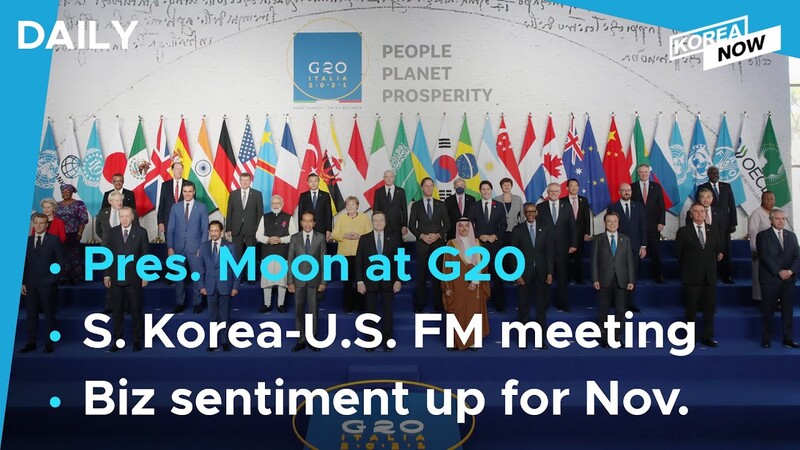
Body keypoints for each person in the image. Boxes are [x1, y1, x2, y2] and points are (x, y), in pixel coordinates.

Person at [675, 203, 723, 348]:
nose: (699, 214)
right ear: (691, 215)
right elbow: (678, 253)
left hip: (709, 276)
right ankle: (691, 337)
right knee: (691, 310)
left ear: (705, 213)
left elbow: (716, 250)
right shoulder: (683, 231)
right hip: (691, 276)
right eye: (695, 211)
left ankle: (707, 337)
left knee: (709, 310)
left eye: (702, 211)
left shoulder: (713, 229)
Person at [103, 207, 149, 352]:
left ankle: (137, 342)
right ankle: (117, 341)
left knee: (136, 312)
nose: (124, 219)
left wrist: (145, 275)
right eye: (121, 216)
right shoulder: (112, 232)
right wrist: (107, 275)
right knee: (117, 313)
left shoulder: (141, 232)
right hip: (116, 278)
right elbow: (107, 254)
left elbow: (145, 255)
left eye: (127, 216)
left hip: (134, 278)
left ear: (132, 217)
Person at [356, 212, 402, 352]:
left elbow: (399, 259)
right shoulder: (364, 238)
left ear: (385, 222)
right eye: (375, 220)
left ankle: (387, 342)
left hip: (389, 281)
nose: (378, 223)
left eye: (381, 220)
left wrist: (398, 279)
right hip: (369, 282)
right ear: (372, 222)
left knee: (388, 313)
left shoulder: (394, 238)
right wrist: (359, 281)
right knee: (370, 313)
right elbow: (359, 261)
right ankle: (370, 342)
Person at [441, 219, 490, 351]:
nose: (464, 228)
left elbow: (482, 264)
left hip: (474, 283)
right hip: (457, 283)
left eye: (467, 226)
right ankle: (454, 342)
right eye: (461, 226)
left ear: (470, 228)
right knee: (456, 311)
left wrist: (475, 281)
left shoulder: (477, 243)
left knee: (473, 311)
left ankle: (472, 341)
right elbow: (446, 266)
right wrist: (448, 286)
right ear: (457, 228)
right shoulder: (451, 244)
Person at [19, 213, 64, 354]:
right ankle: (31, 343)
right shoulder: (27, 241)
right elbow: (23, 264)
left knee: (49, 315)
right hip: (30, 284)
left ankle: (49, 343)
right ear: (33, 224)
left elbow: (60, 262)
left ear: (46, 225)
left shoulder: (54, 240)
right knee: (31, 315)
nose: (38, 225)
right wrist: (23, 282)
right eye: (36, 222)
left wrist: (53, 279)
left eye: (41, 223)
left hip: (48, 284)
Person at [756, 209, 800, 348]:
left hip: (788, 279)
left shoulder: (791, 236)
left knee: (788, 311)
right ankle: (766, 339)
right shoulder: (762, 236)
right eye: (777, 218)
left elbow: (797, 256)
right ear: (771, 220)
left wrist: (790, 271)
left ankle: (788, 338)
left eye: (783, 218)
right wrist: (778, 271)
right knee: (768, 310)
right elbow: (764, 256)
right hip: (770, 279)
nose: (781, 221)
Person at [591, 211, 635, 348]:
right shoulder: (598, 239)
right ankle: (604, 338)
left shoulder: (625, 239)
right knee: (603, 311)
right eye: (609, 221)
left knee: (620, 311)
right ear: (604, 223)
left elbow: (629, 261)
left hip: (621, 280)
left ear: (618, 223)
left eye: (614, 221)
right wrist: (595, 279)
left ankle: (615, 337)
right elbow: (594, 261)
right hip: (603, 280)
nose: (612, 224)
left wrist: (631, 280)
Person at [511, 203, 553, 344]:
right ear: (524, 213)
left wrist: (550, 272)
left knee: (541, 308)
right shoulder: (517, 230)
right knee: (523, 307)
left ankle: (540, 340)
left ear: (536, 213)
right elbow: (513, 254)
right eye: (528, 212)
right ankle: (522, 340)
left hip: (541, 273)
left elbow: (549, 252)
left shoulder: (545, 228)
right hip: (523, 274)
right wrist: (517, 274)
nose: (530, 214)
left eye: (532, 211)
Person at [408, 177, 450, 313]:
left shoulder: (441, 204)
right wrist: (422, 236)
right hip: (422, 244)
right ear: (422, 188)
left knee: (437, 275)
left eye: (431, 185)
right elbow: (411, 225)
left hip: (438, 244)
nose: (428, 188)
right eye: (426, 186)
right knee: (421, 275)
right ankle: (420, 304)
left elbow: (447, 224)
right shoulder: (416, 205)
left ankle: (438, 303)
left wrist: (438, 235)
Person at [167, 181, 209, 314]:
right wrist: (170, 246)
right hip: (178, 247)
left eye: (190, 191)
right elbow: (170, 228)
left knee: (196, 276)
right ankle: (179, 303)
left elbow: (204, 229)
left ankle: (197, 303)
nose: (187, 194)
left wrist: (202, 247)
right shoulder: (175, 207)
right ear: (182, 192)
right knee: (179, 278)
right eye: (185, 191)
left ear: (194, 192)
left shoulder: (201, 207)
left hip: (195, 248)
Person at [198, 220, 240, 352]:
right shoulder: (203, 247)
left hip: (225, 286)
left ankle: (225, 341)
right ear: (208, 232)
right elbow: (200, 269)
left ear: (221, 232)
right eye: (211, 231)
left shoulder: (230, 246)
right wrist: (201, 286)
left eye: (216, 231)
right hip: (209, 286)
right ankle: (212, 342)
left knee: (224, 315)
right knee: (212, 316)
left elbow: (235, 268)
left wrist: (235, 286)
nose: (214, 233)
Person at [288, 212, 327, 352]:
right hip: (298, 281)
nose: (307, 224)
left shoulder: (320, 238)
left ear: (314, 223)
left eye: (310, 221)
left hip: (314, 281)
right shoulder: (294, 238)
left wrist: (323, 282)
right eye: (305, 221)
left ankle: (312, 339)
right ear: (301, 222)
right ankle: (301, 340)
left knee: (313, 311)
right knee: (299, 311)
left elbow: (324, 261)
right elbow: (290, 260)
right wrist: (290, 281)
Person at [96, 191, 140, 314]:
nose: (120, 202)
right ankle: (110, 306)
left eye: (121, 200)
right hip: (108, 250)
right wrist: (109, 240)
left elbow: (136, 230)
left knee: (126, 278)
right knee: (109, 278)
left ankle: (126, 306)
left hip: (126, 250)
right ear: (110, 201)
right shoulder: (103, 213)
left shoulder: (130, 212)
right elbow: (98, 230)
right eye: (117, 200)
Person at [536, 183, 577, 312]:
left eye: (556, 191)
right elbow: (537, 228)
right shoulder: (540, 207)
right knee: (545, 277)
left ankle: (562, 303)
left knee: (563, 277)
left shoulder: (567, 206)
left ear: (560, 192)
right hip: (545, 249)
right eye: (551, 191)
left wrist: (573, 244)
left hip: (563, 248)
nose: (553, 193)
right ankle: (544, 304)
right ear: (547, 193)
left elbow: (572, 226)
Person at [468, 180, 507, 312]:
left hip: (495, 245)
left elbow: (504, 225)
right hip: (479, 245)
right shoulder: (474, 206)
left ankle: (499, 305)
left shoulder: (499, 206)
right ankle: (478, 305)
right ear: (480, 191)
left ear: (491, 190)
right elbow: (469, 226)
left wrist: (495, 236)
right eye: (483, 189)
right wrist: (480, 235)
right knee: (478, 275)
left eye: (488, 189)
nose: (486, 191)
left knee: (497, 275)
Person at [255, 195, 297, 313]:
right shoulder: (265, 217)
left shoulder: (288, 217)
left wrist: (281, 240)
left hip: (282, 253)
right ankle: (267, 304)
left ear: (282, 204)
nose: (275, 205)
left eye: (278, 203)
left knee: (282, 280)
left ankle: (281, 304)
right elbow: (258, 235)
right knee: (267, 280)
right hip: (267, 252)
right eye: (273, 203)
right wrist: (268, 239)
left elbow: (294, 236)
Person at [748, 191, 792, 303]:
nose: (769, 201)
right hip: (762, 251)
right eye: (766, 199)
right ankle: (761, 299)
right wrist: (756, 250)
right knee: (761, 276)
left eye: (771, 199)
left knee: (777, 276)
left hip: (778, 251)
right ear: (762, 200)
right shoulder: (756, 213)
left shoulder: (778, 211)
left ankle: (777, 300)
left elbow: (785, 230)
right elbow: (753, 233)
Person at [609, 183, 646, 312]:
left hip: (635, 247)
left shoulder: (638, 207)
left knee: (632, 276)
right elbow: (609, 228)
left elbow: (642, 227)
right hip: (617, 247)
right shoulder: (613, 207)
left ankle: (630, 304)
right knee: (617, 276)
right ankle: (617, 302)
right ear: (619, 192)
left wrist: (643, 246)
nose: (626, 192)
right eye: (623, 190)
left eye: (628, 190)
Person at [332, 196, 372, 313]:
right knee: (347, 282)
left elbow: (370, 234)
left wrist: (359, 236)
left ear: (357, 206)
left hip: (360, 255)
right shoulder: (341, 218)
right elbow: (334, 234)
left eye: (353, 204)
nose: (350, 207)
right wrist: (345, 235)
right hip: (345, 255)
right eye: (348, 205)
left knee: (361, 281)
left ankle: (361, 307)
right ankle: (348, 306)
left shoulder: (364, 217)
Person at [696, 166, 737, 284]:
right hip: (708, 223)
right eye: (713, 173)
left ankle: (726, 275)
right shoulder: (702, 187)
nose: (715, 175)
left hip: (725, 224)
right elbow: (698, 205)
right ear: (708, 174)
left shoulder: (726, 186)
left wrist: (733, 223)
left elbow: (732, 206)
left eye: (717, 173)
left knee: (725, 250)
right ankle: (709, 275)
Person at [631, 164, 666, 284]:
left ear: (649, 173)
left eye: (646, 172)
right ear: (638, 173)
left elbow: (661, 206)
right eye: (641, 172)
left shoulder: (656, 187)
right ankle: (634, 277)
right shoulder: (633, 187)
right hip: (637, 225)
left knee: (655, 252)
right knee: (636, 253)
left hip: (653, 225)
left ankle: (658, 276)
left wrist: (661, 222)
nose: (644, 174)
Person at [226, 172, 264, 262]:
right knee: (236, 254)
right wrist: (228, 228)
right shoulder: (233, 194)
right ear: (239, 181)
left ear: (250, 181)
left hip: (251, 229)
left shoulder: (257, 194)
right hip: (236, 229)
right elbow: (229, 212)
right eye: (243, 180)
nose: (245, 182)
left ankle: (250, 271)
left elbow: (260, 214)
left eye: (247, 180)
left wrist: (258, 229)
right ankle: (237, 271)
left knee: (251, 255)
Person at [55, 184, 88, 284]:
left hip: (73, 233)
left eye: (67, 191)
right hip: (59, 234)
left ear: (72, 192)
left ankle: (76, 278)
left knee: (74, 256)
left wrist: (80, 233)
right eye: (63, 192)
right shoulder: (57, 205)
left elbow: (83, 220)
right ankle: (63, 277)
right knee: (62, 256)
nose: (65, 193)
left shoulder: (79, 204)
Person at [565, 178, 591, 285]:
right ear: (567, 188)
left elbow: (587, 218)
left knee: (578, 258)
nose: (574, 188)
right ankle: (566, 279)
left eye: (576, 185)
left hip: (580, 234)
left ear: (578, 187)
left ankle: (579, 279)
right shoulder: (562, 201)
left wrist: (587, 233)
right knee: (566, 258)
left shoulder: (583, 200)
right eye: (571, 185)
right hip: (566, 234)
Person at [372, 170, 408, 243]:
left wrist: (405, 225)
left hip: (397, 226)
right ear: (383, 178)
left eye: (391, 176)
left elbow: (404, 209)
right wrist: (376, 224)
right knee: (384, 245)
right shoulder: (378, 192)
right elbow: (376, 209)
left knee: (398, 246)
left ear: (394, 178)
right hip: (382, 225)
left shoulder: (401, 191)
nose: (389, 179)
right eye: (386, 177)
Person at [297, 174, 333, 240]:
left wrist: (329, 229)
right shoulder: (303, 196)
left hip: (322, 228)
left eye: (315, 181)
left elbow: (329, 213)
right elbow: (300, 214)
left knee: (321, 245)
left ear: (318, 182)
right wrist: (300, 230)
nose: (313, 183)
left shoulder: (325, 195)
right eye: (311, 181)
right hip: (307, 228)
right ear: (308, 183)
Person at [157, 161, 185, 238]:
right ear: (172, 170)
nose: (179, 171)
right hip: (168, 222)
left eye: (181, 169)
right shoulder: (165, 185)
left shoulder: (189, 184)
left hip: (184, 223)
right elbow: (161, 204)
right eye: (177, 169)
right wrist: (160, 222)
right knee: (169, 243)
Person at [495, 177, 523, 245]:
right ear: (501, 187)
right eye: (504, 185)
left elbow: (522, 215)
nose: (507, 187)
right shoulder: (496, 199)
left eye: (508, 185)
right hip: (500, 231)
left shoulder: (518, 199)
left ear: (511, 186)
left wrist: (523, 229)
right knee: (501, 250)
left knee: (513, 250)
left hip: (515, 230)